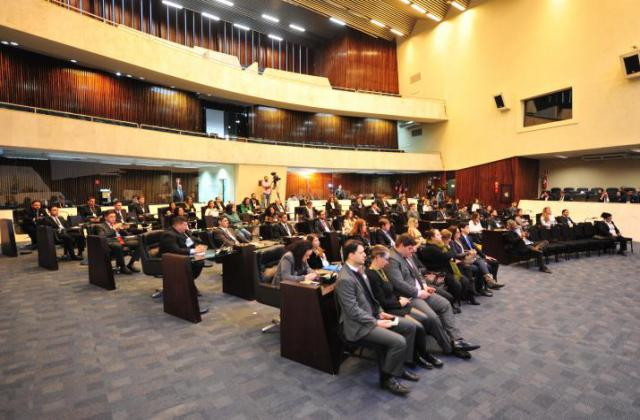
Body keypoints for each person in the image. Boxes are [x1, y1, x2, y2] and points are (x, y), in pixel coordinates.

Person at [335, 240, 419, 395]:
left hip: (372, 316)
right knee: (398, 341)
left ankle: (399, 368)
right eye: (361, 252)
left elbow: (372, 298)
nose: (365, 254)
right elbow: (352, 311)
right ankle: (387, 379)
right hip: (358, 326)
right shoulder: (345, 279)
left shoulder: (360, 270)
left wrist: (380, 311)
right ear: (351, 255)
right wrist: (376, 322)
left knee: (410, 327)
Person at [385, 234, 480, 359]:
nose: (413, 250)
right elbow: (398, 284)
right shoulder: (392, 259)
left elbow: (417, 273)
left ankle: (457, 340)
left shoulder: (407, 254)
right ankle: (449, 347)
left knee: (445, 304)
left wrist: (424, 286)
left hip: (421, 291)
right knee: (433, 318)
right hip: (409, 297)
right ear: (401, 245)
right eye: (410, 248)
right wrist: (419, 292)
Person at [367, 245, 444, 370]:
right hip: (389, 309)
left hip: (396, 304)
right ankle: (416, 357)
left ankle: (421, 353)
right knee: (418, 327)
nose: (387, 262)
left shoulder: (380, 270)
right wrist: (399, 303)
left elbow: (390, 292)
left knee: (424, 319)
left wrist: (399, 299)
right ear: (377, 258)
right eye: (385, 259)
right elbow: (380, 301)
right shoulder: (371, 275)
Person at [159, 216, 207, 281]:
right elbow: (176, 250)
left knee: (199, 260)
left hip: (181, 257)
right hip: (169, 260)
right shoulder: (169, 235)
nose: (186, 227)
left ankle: (187, 282)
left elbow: (188, 243)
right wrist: (194, 250)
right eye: (185, 225)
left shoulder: (180, 233)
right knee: (198, 262)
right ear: (178, 225)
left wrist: (197, 248)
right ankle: (185, 282)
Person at [458, 223, 502, 289]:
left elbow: (476, 248)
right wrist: (473, 253)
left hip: (476, 256)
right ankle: (489, 283)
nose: (469, 229)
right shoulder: (460, 238)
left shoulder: (469, 237)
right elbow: (464, 250)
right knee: (487, 266)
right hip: (469, 258)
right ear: (462, 229)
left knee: (495, 262)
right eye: (467, 227)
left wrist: (485, 256)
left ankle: (494, 281)